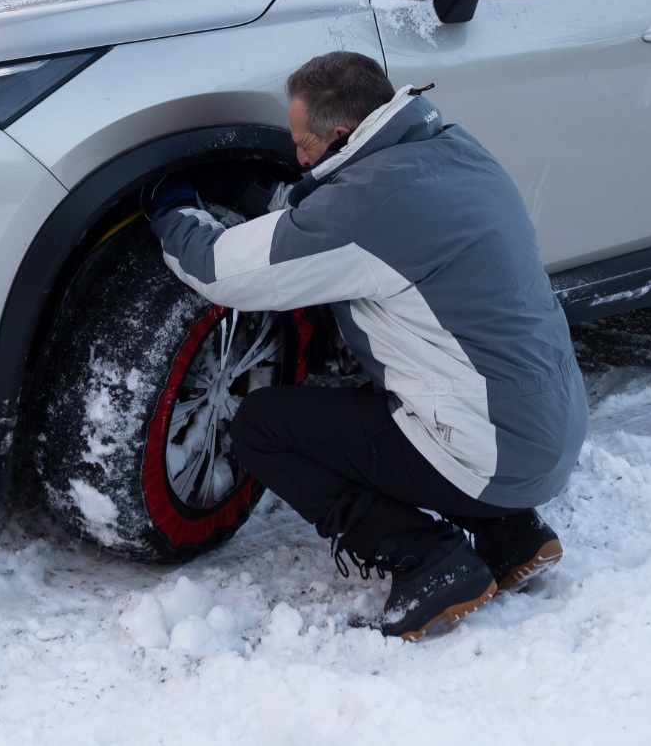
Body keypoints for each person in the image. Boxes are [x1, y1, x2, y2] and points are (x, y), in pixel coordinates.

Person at [143, 51, 589, 640]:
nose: (299, 158)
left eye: (303, 144)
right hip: (549, 433)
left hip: (487, 452)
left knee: (262, 427)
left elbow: (221, 269)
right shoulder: (455, 152)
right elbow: (331, 218)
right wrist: (253, 192)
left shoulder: (367, 208)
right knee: (411, 393)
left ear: (341, 134)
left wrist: (171, 206)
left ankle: (428, 559)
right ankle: (510, 534)